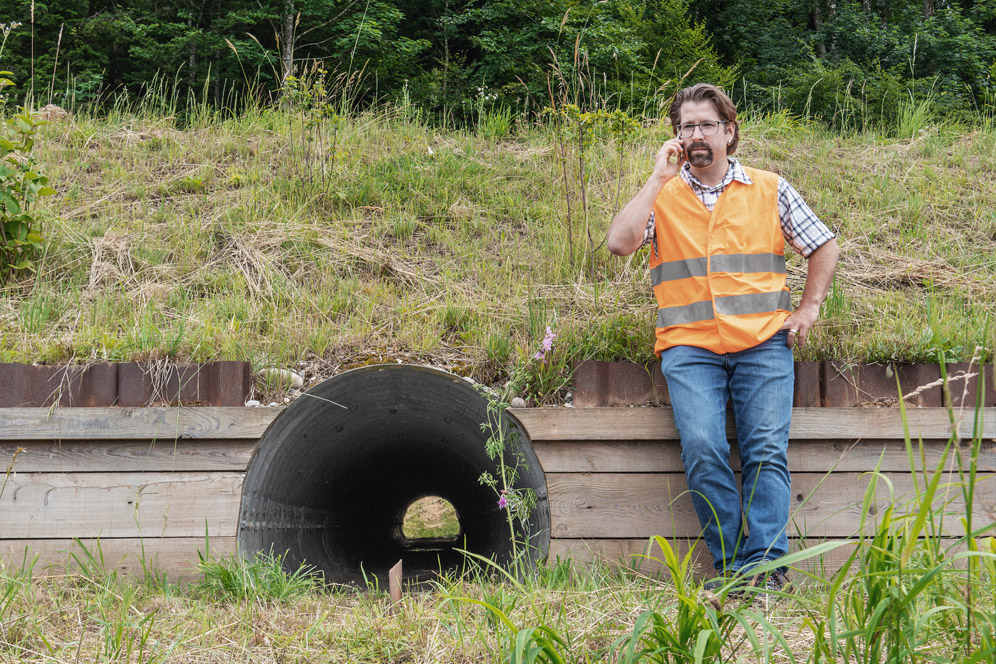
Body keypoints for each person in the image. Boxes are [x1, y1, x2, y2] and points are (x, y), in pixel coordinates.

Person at [606, 83, 840, 593]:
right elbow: (619, 243)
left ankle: (768, 570)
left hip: (762, 343)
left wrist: (809, 308)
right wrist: (655, 178)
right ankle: (734, 570)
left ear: (729, 131)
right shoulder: (663, 196)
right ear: (676, 136)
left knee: (765, 452)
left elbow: (823, 245)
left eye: (706, 125)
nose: (696, 135)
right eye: (686, 126)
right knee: (705, 448)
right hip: (690, 348)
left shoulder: (769, 187)